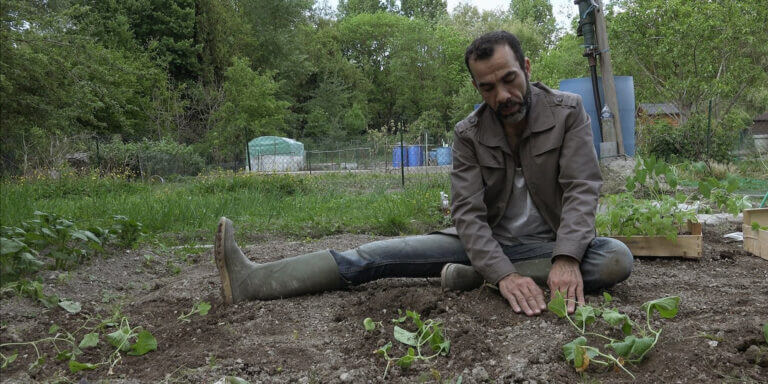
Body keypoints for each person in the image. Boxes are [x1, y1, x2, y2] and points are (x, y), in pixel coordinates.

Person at [214, 30, 633, 317]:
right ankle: (253, 280)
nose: (502, 96)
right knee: (374, 255)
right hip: (481, 246)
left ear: (525, 66)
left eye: (509, 80)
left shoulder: (568, 112)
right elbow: (467, 215)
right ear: (476, 87)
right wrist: (502, 272)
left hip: (549, 245)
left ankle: (474, 280)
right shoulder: (468, 134)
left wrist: (564, 258)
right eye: (488, 88)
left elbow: (582, 187)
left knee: (614, 258)